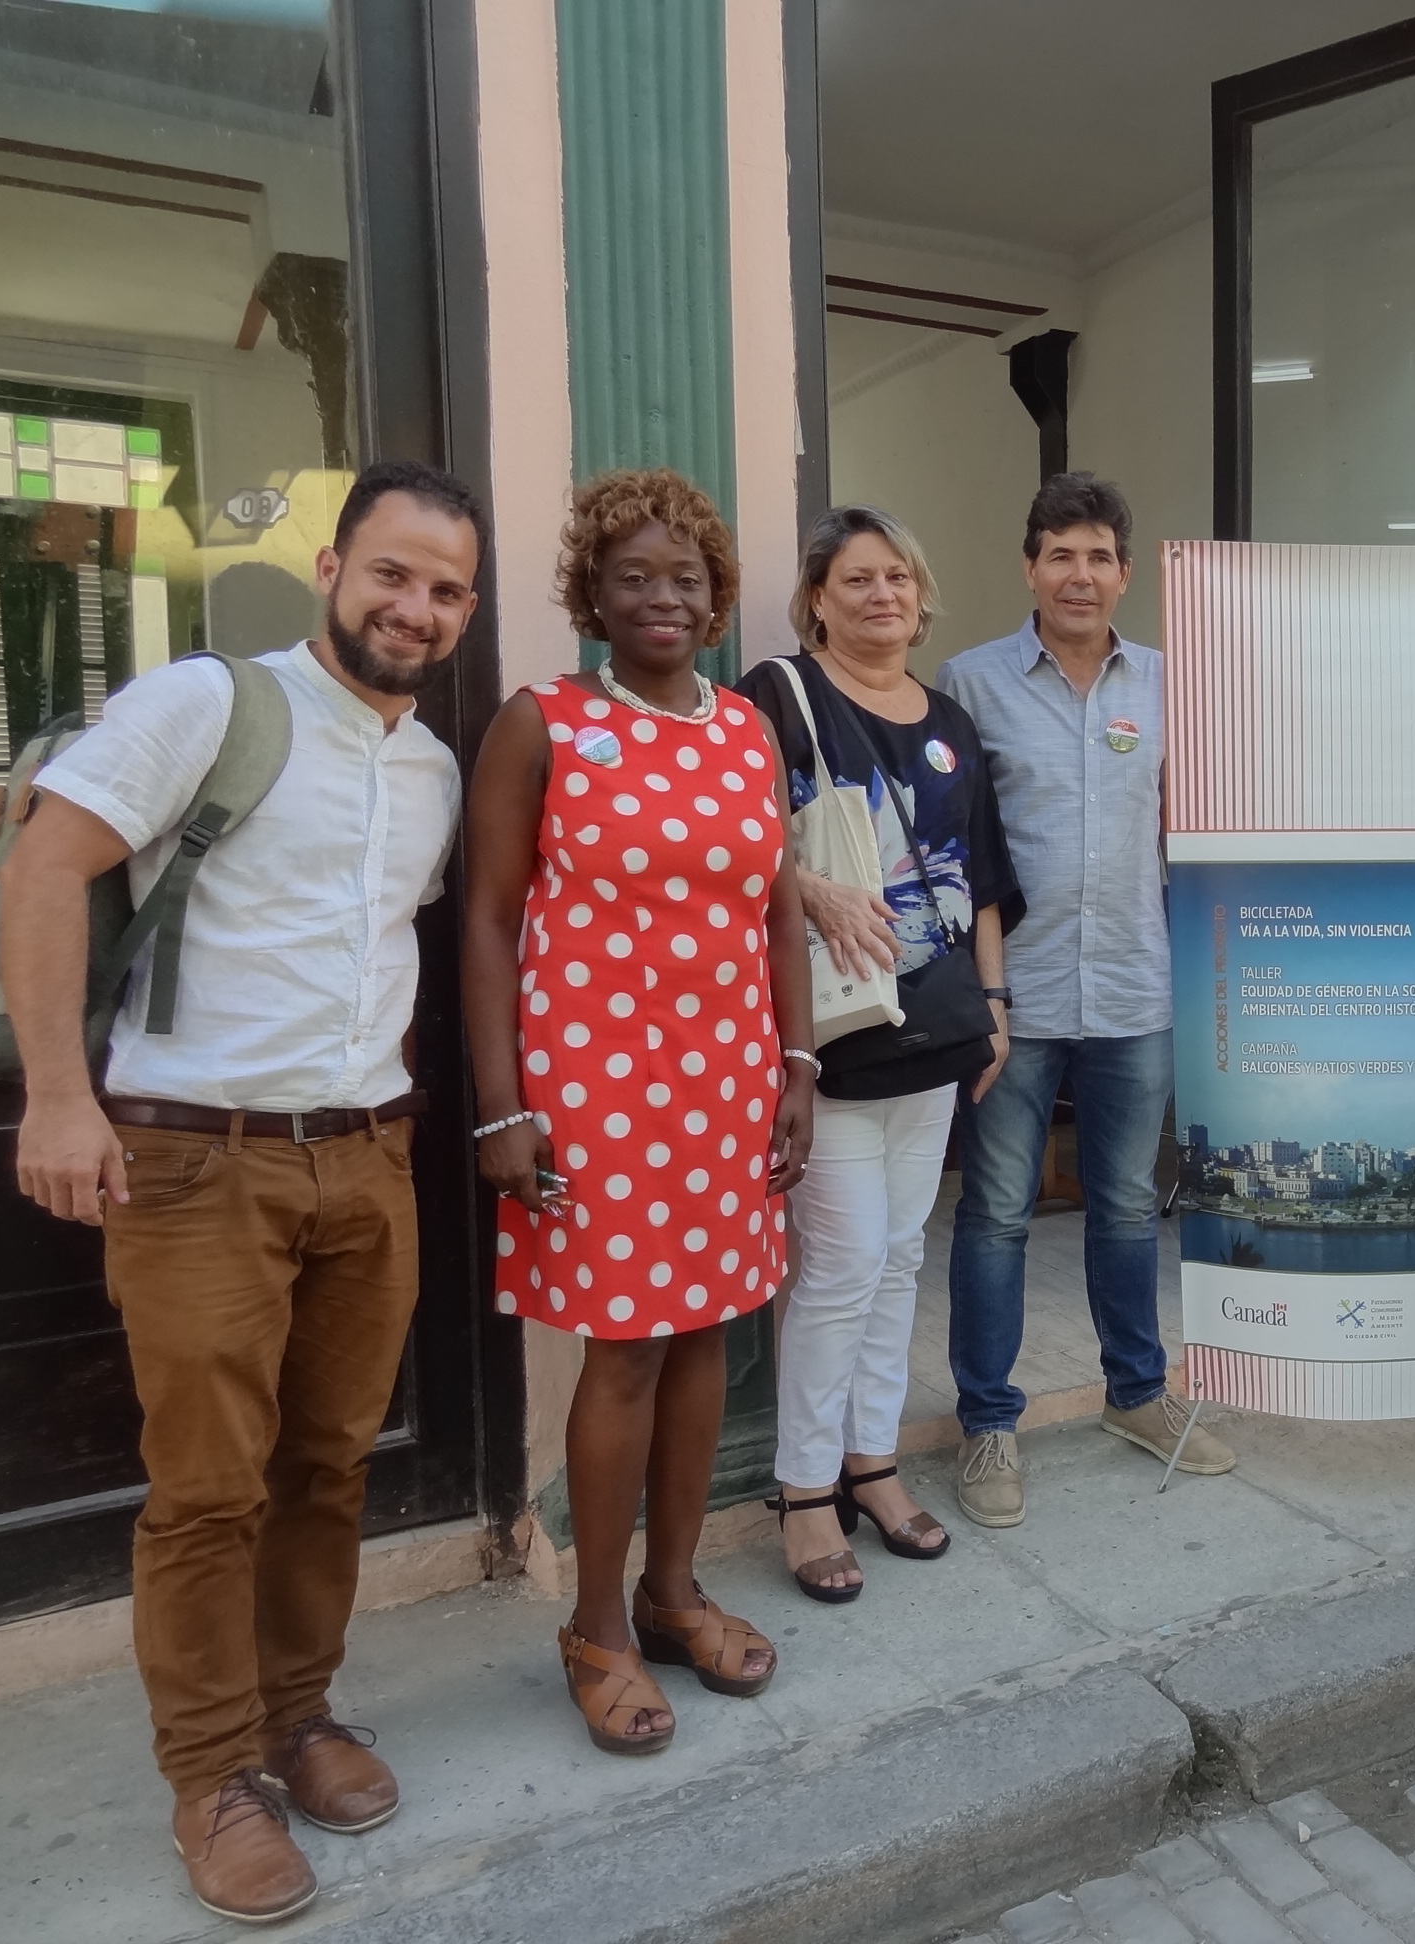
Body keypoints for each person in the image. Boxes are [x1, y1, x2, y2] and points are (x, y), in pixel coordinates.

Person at [2, 461, 483, 1924]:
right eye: (393, 573)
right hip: (196, 1158)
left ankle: (297, 1714)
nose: (417, 607)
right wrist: (61, 1098)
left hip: (367, 1153)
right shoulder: (207, 703)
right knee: (208, 1489)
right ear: (333, 567)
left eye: (448, 589)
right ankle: (211, 1776)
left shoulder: (435, 769)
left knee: (326, 1467)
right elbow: (43, 869)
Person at [464, 470, 810, 1756]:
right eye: (632, 577)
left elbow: (776, 906)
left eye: (685, 578)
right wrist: (503, 1109)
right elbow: (492, 920)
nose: (661, 597)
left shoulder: (744, 731)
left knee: (712, 1331)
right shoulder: (540, 723)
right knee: (625, 1351)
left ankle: (675, 1595)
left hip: (727, 1081)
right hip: (592, 1088)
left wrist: (798, 1064)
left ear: (718, 598)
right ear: (591, 597)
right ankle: (596, 1628)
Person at [935, 472, 1233, 1526]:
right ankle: (988, 1426)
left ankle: (1137, 1395)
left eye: (1099, 555)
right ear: (1029, 569)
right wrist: (980, 988)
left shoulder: (1168, 683)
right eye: (1060, 554)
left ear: (1125, 572)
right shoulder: (969, 687)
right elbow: (951, 848)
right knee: (998, 1214)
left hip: (1134, 986)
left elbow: (1201, 824)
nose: (1079, 573)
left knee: (1123, 1210)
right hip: (1011, 994)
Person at [738, 507, 1021, 1596]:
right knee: (844, 1263)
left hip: (937, 1027)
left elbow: (980, 875)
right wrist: (805, 886)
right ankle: (805, 1493)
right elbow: (736, 837)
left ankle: (871, 1462)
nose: (881, 595)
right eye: (856, 579)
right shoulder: (778, 695)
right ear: (817, 597)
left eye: (898, 576)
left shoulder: (948, 716)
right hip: (832, 1032)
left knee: (900, 1255)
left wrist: (995, 1007)